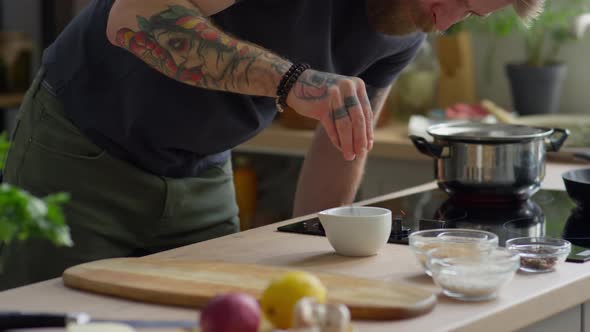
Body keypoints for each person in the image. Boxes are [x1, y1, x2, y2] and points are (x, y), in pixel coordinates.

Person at [0, 0, 543, 290]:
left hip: (202, 173)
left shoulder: (406, 31)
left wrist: (331, 256)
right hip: (82, 150)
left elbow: (341, 144)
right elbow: (133, 18)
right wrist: (292, 81)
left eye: (471, 14)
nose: (444, 22)